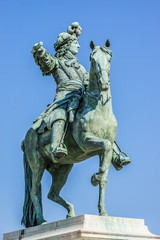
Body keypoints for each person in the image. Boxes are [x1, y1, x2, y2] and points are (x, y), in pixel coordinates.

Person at [31, 22, 130, 169]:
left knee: (98, 118)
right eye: (75, 43)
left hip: (82, 96)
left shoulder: (81, 67)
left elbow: (88, 83)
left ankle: (115, 153)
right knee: (60, 114)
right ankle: (56, 145)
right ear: (66, 46)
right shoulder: (58, 62)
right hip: (64, 97)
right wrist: (39, 51)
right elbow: (47, 62)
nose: (78, 46)